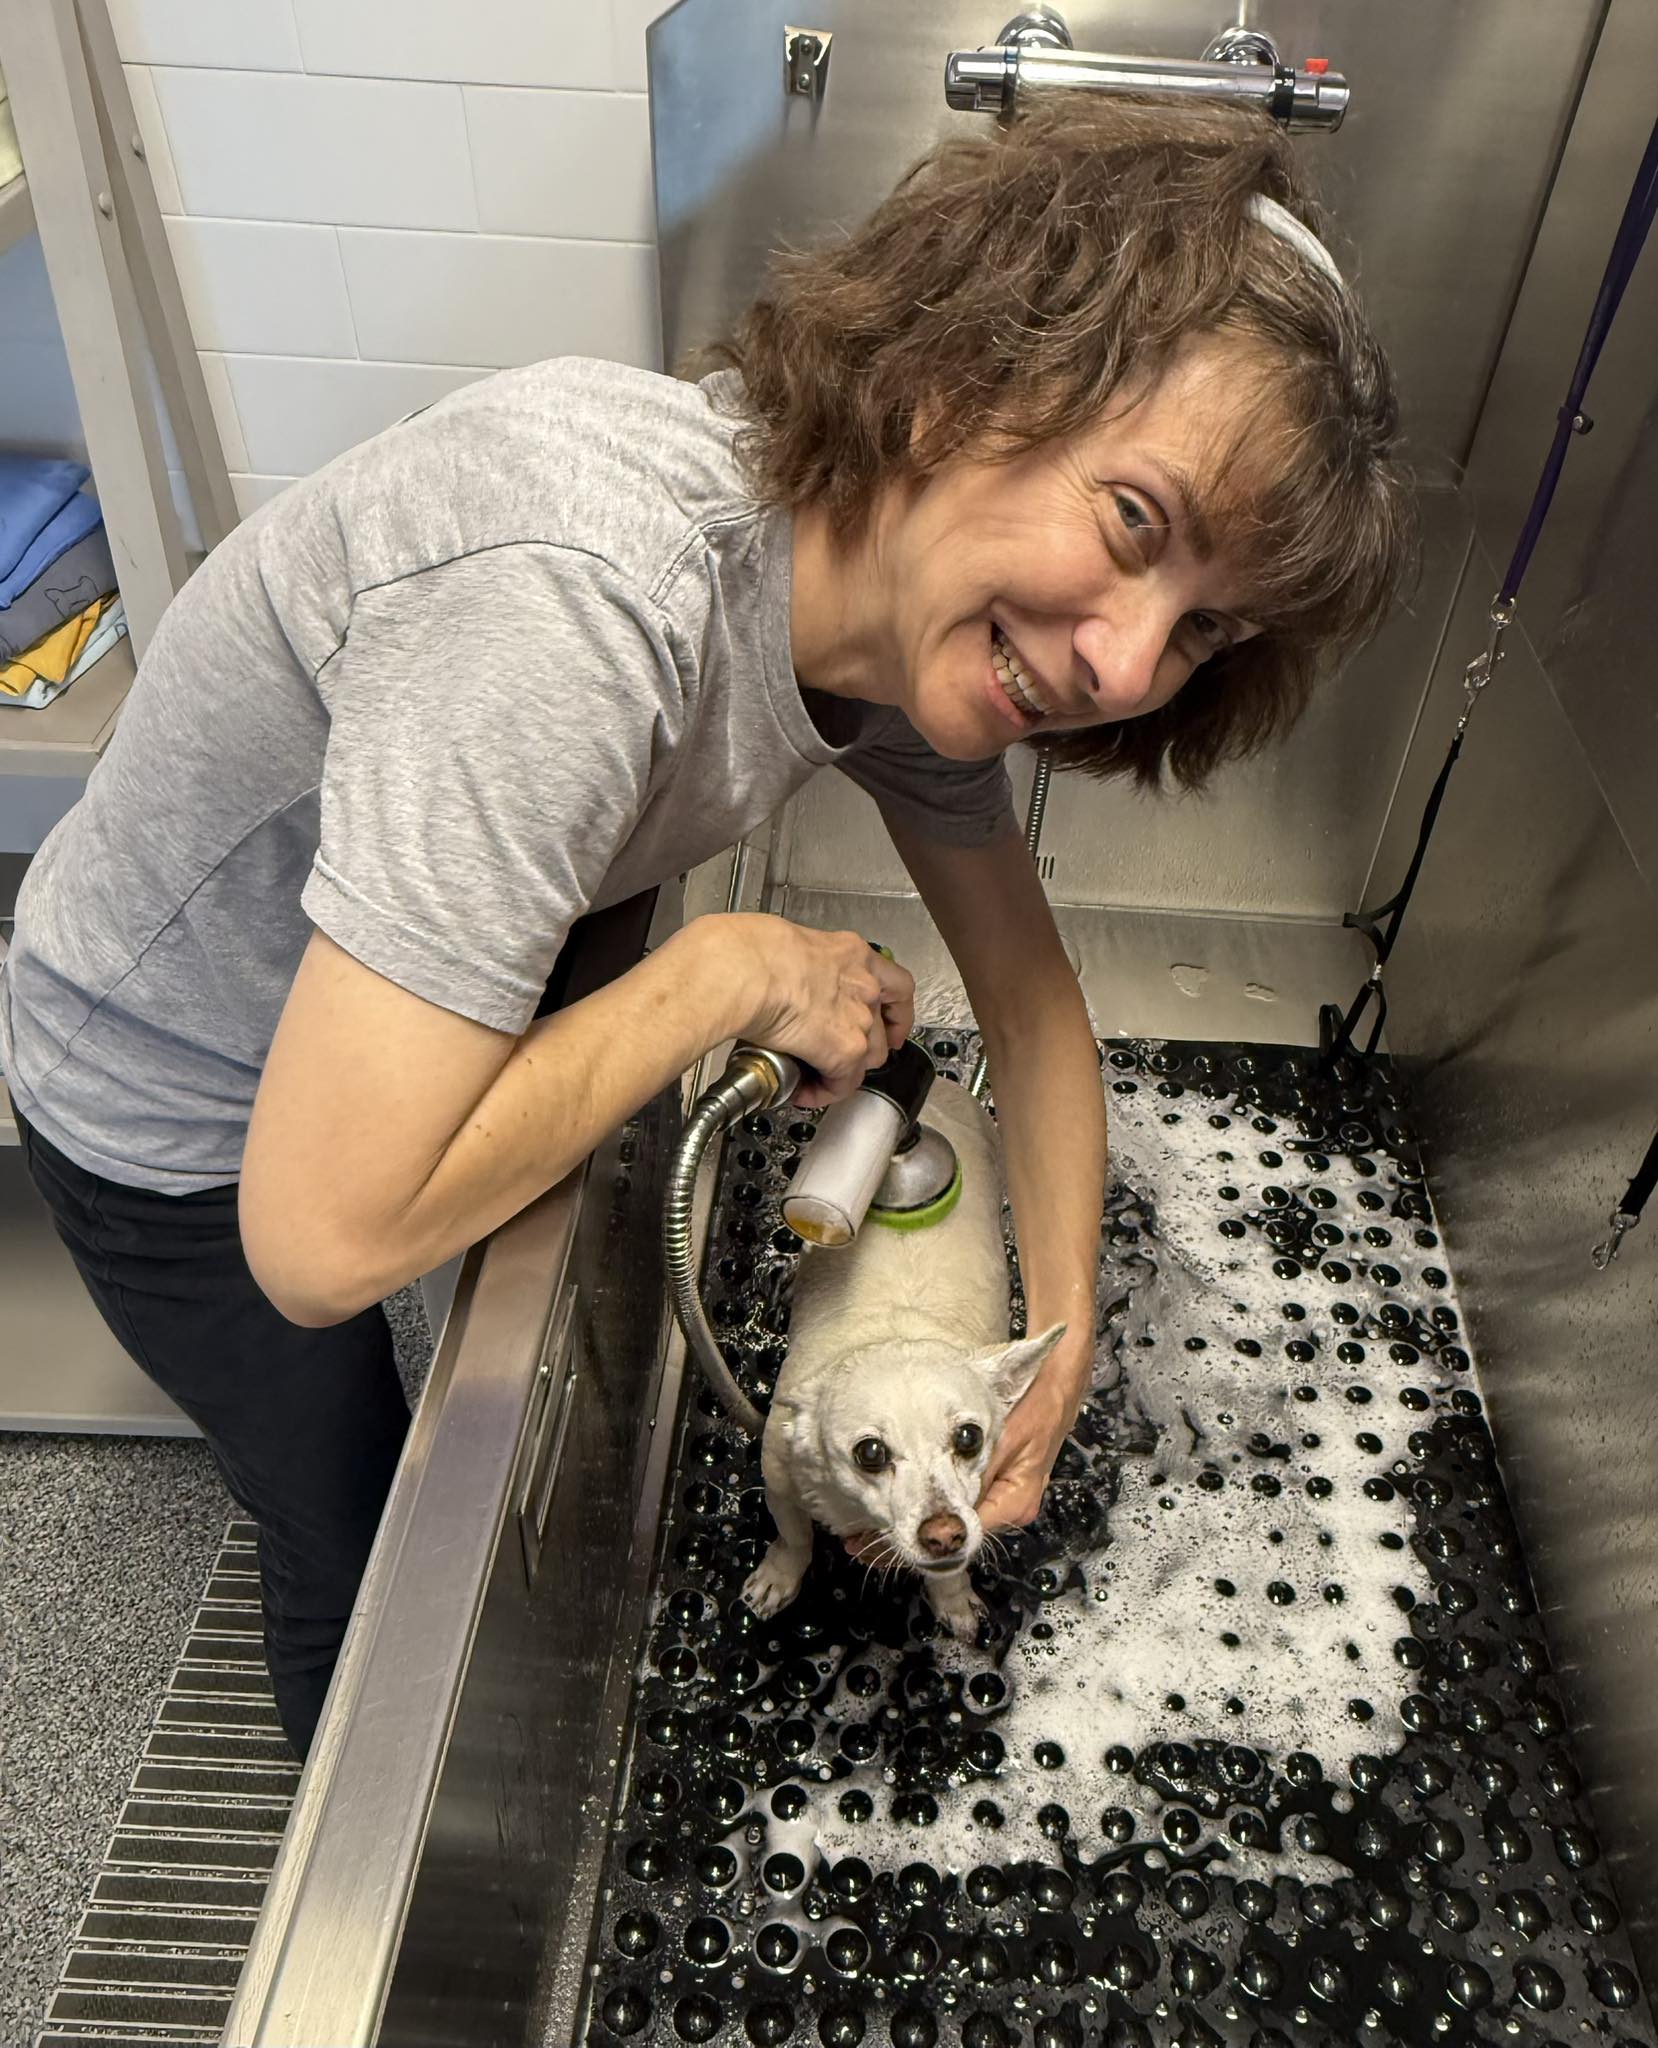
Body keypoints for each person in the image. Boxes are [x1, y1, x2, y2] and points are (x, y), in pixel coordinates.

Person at [0, 96, 1411, 1760]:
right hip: (169, 1114)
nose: (1122, 662)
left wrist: (1067, 1322)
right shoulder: (586, 598)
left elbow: (1030, 1013)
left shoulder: (901, 635)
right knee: (352, 1524)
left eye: (1203, 627)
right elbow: (316, 1247)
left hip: (352, 1067)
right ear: (966, 377)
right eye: (1129, 523)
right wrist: (730, 972)